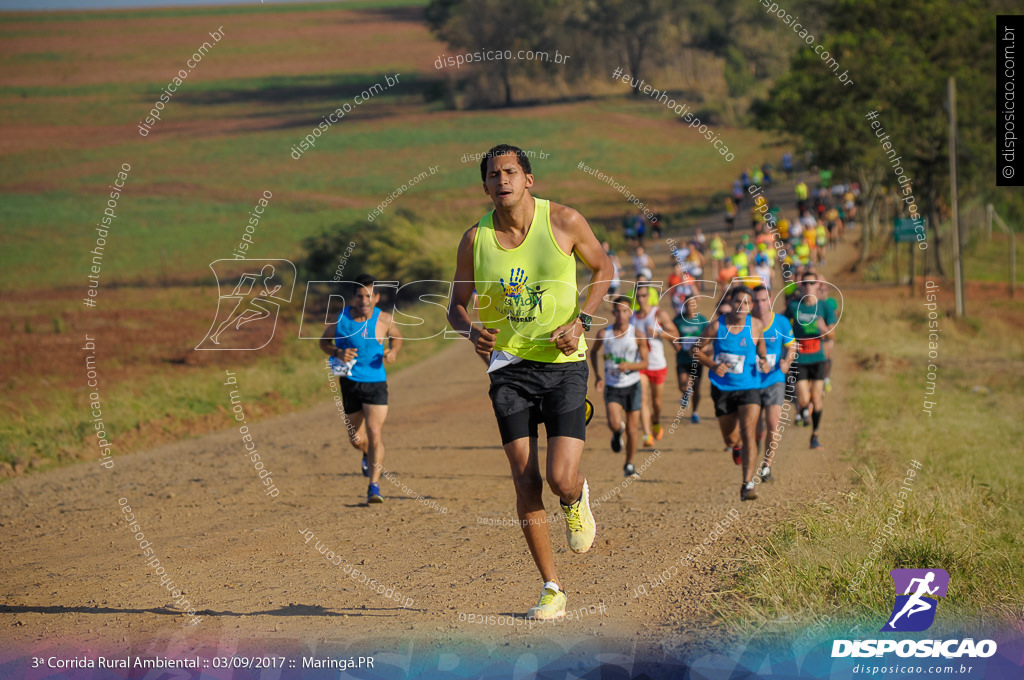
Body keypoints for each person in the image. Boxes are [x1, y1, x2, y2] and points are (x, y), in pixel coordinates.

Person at [446, 144, 612, 620]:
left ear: (528, 180)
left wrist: (582, 318)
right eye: (494, 175)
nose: (502, 180)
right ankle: (551, 586)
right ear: (484, 187)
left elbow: (604, 269)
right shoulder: (474, 240)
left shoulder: (564, 221)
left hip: (564, 364)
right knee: (526, 479)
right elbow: (457, 304)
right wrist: (470, 330)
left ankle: (575, 495)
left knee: (560, 476)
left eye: (511, 171)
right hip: (508, 369)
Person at [319, 274, 403, 504]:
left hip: (376, 382)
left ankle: (374, 486)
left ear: (375, 297)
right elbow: (323, 342)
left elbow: (397, 337)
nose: (364, 300)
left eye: (369, 295)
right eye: (360, 296)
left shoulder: (384, 319)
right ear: (353, 298)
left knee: (375, 431)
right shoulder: (342, 320)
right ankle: (367, 453)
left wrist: (393, 351)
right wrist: (337, 352)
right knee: (356, 438)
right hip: (349, 382)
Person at [695, 287, 770, 501]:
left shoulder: (755, 325)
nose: (741, 306)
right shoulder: (716, 326)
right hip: (722, 388)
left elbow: (761, 349)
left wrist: (763, 361)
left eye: (746, 303)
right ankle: (736, 446)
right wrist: (711, 364)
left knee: (749, 432)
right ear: (731, 302)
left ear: (751, 306)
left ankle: (747, 484)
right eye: (738, 301)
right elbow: (696, 350)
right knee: (730, 438)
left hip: (749, 387)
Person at [591, 296, 649, 477]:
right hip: (613, 386)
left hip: (632, 385)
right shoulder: (604, 334)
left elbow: (645, 363)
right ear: (613, 312)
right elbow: (593, 353)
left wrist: (630, 366)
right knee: (614, 423)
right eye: (618, 311)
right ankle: (617, 433)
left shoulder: (637, 334)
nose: (621, 315)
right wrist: (598, 376)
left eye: (625, 311)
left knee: (633, 429)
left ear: (630, 313)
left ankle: (629, 464)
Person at [785, 271, 835, 450]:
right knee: (804, 398)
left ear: (817, 285)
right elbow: (784, 325)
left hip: (818, 358)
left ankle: (815, 435)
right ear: (801, 286)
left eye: (812, 283)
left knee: (817, 398)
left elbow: (832, 335)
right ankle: (804, 409)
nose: (808, 286)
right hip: (800, 358)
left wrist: (823, 330)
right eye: (805, 283)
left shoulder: (824, 307)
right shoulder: (794, 307)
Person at [751, 285, 796, 482]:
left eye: (763, 300)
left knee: (772, 423)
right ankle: (750, 455)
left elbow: (791, 347)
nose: (760, 305)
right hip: (750, 380)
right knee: (753, 428)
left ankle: (767, 466)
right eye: (756, 301)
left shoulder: (781, 322)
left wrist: (787, 361)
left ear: (770, 299)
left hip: (774, 378)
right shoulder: (747, 323)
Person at [632, 281, 676, 444]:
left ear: (649, 296)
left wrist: (658, 333)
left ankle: (656, 420)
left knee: (656, 402)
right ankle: (647, 434)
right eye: (638, 296)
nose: (641, 299)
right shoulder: (632, 318)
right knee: (642, 398)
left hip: (658, 364)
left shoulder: (659, 314)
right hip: (640, 364)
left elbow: (675, 335)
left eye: (644, 295)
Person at [672, 295, 710, 423]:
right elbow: (672, 334)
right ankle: (685, 393)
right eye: (688, 305)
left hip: (697, 360)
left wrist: (704, 349)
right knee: (683, 385)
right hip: (682, 358)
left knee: (696, 388)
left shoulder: (702, 320)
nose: (690, 308)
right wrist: (675, 344)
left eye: (692, 305)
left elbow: (708, 337)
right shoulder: (678, 320)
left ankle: (694, 412)